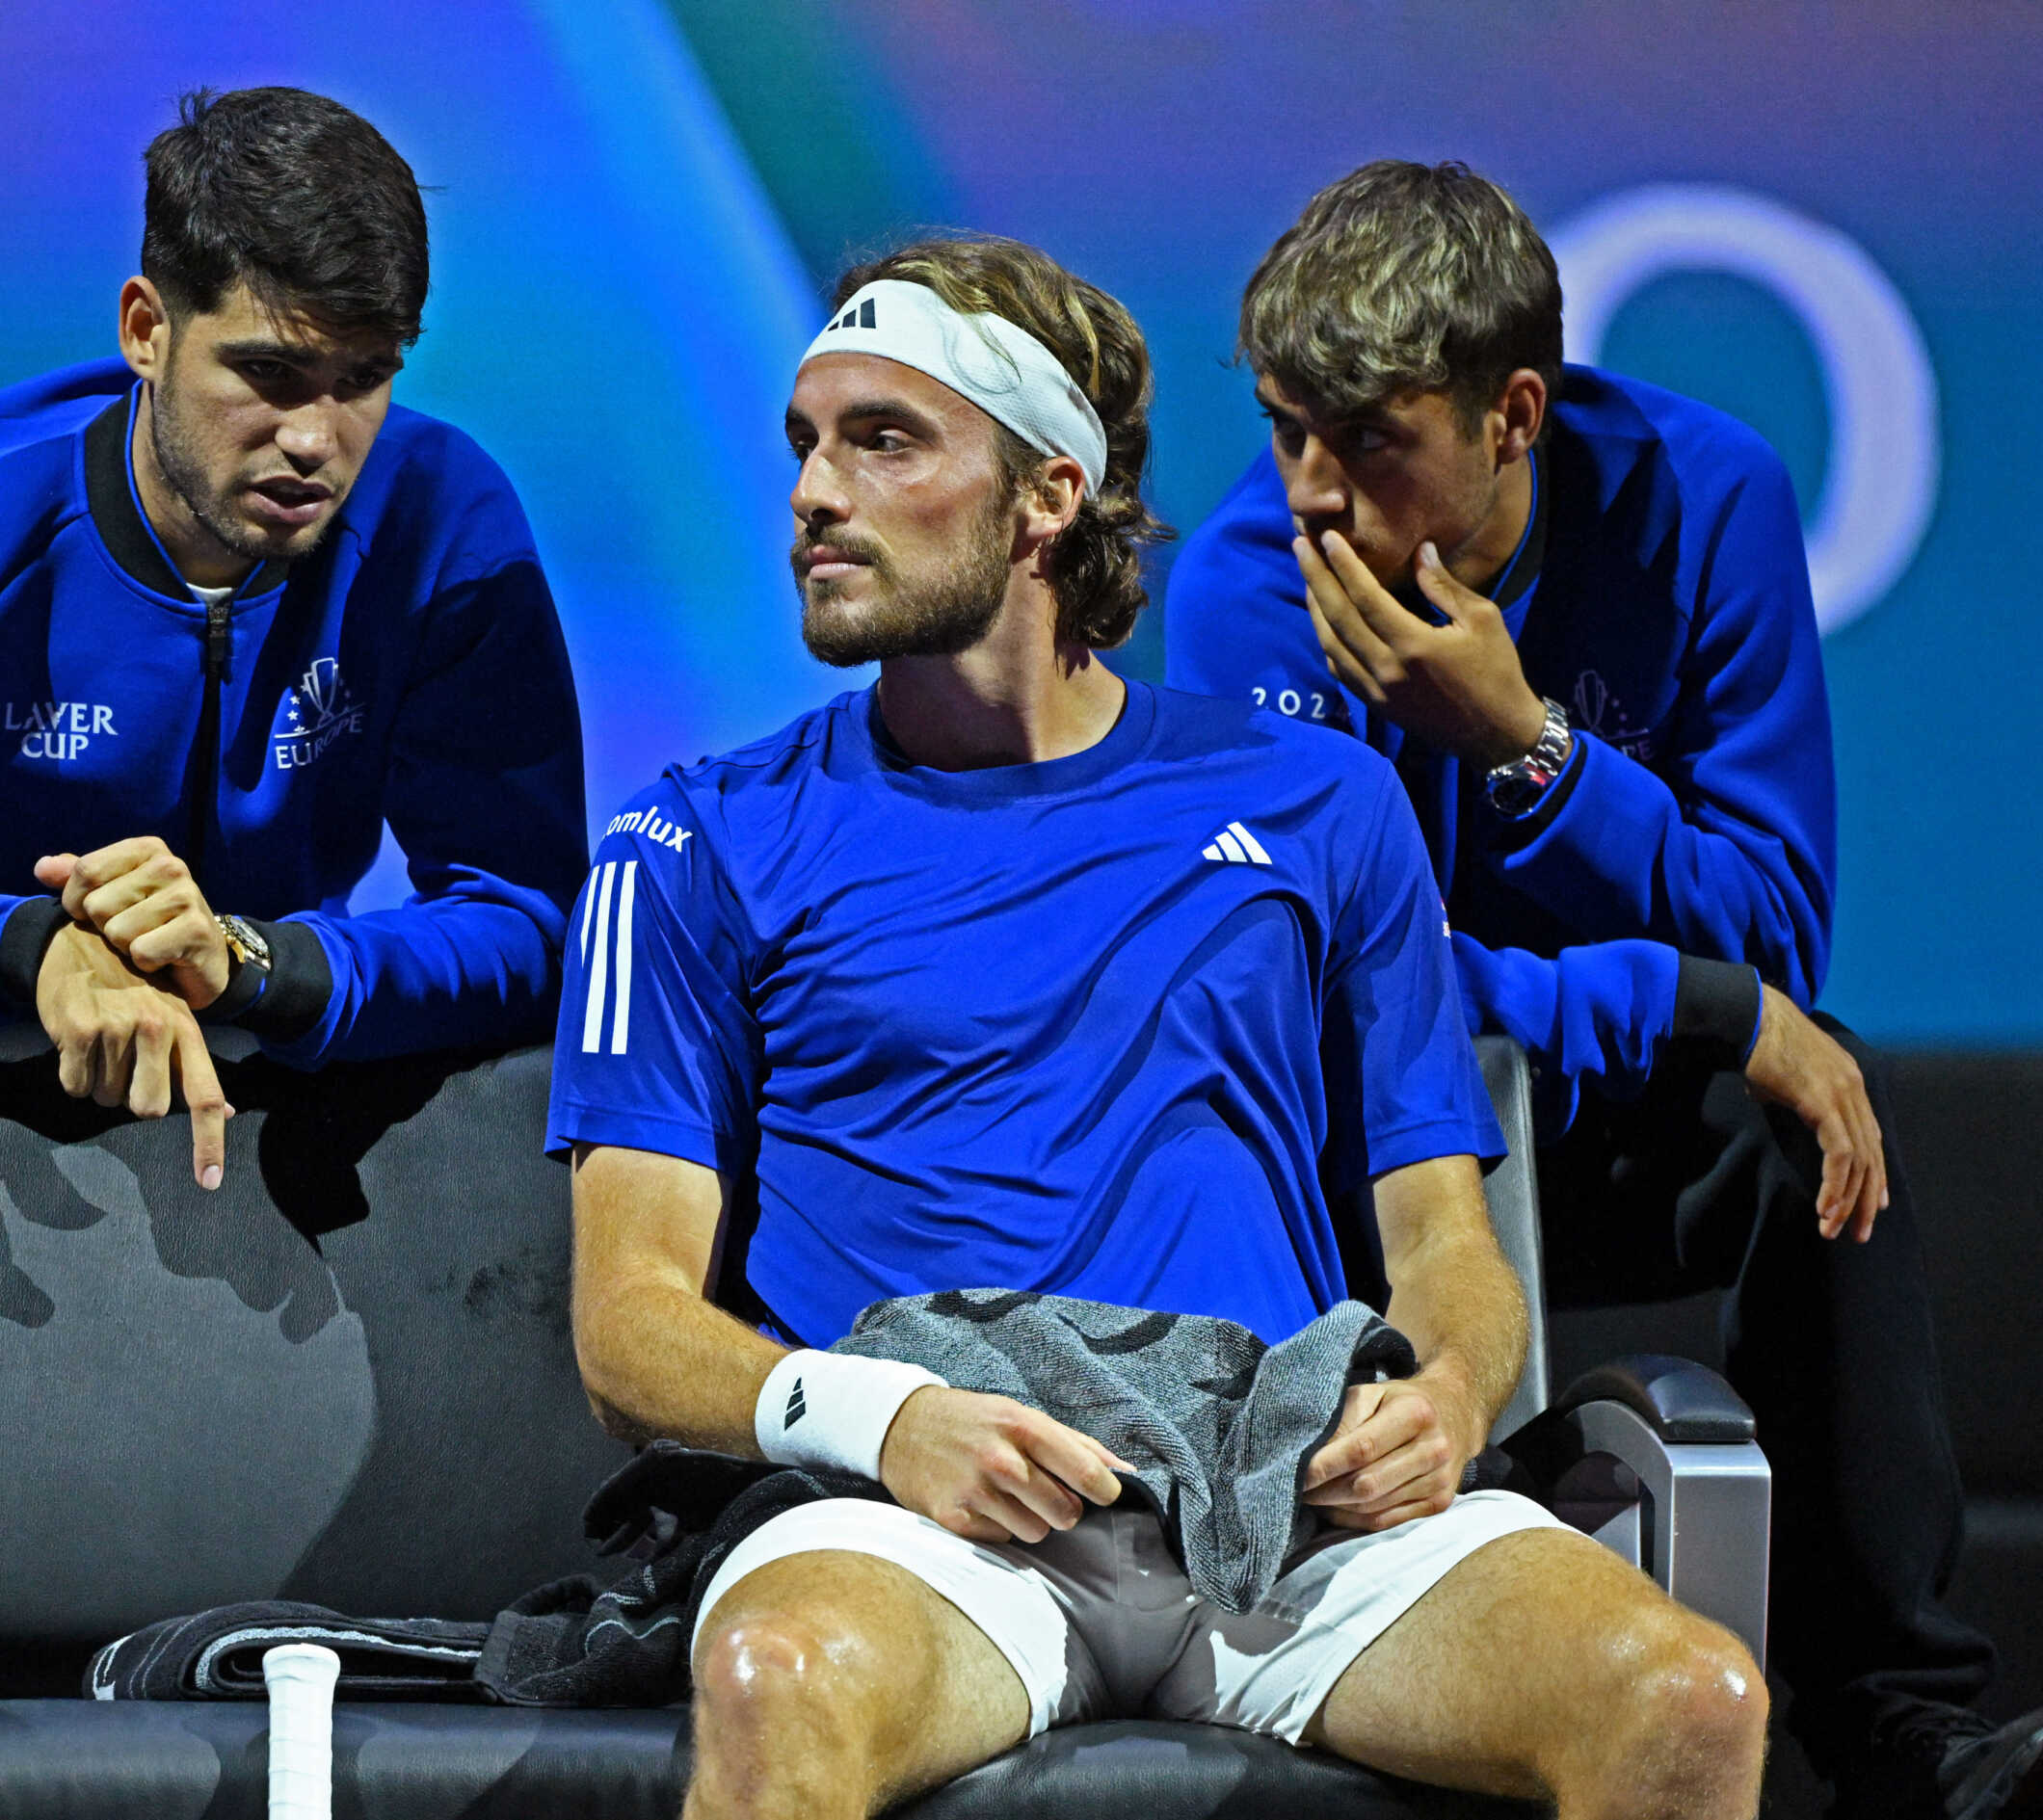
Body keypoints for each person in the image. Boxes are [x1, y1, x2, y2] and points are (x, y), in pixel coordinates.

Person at [552, 235, 1768, 1820]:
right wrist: (887, 1416)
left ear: (1049, 493)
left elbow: (1446, 1242)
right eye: (805, 440)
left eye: (886, 438)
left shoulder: (1321, 802)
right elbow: (626, 1321)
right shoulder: (693, 838)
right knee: (782, 1686)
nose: (812, 491)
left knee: (1688, 1701)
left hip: (1285, 1504)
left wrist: (1452, 1398)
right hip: (918, 1514)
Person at [1164, 159, 2041, 1819]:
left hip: (1595, 1123)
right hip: (1368, 1147)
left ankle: (1900, 1732)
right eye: (1284, 428)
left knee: (1814, 1111)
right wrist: (1671, 994)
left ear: (1511, 412)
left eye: (1363, 441)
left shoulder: (1709, 496)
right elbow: (1321, 989)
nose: (1308, 496)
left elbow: (1773, 936)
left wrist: (1529, 748)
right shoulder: (1246, 587)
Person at [0, 87, 587, 1188]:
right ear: (147, 330)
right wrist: (23, 950)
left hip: (276, 1128)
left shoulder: (446, 527)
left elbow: (532, 925)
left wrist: (255, 962)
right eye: (269, 372)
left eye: (365, 377)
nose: (315, 440)